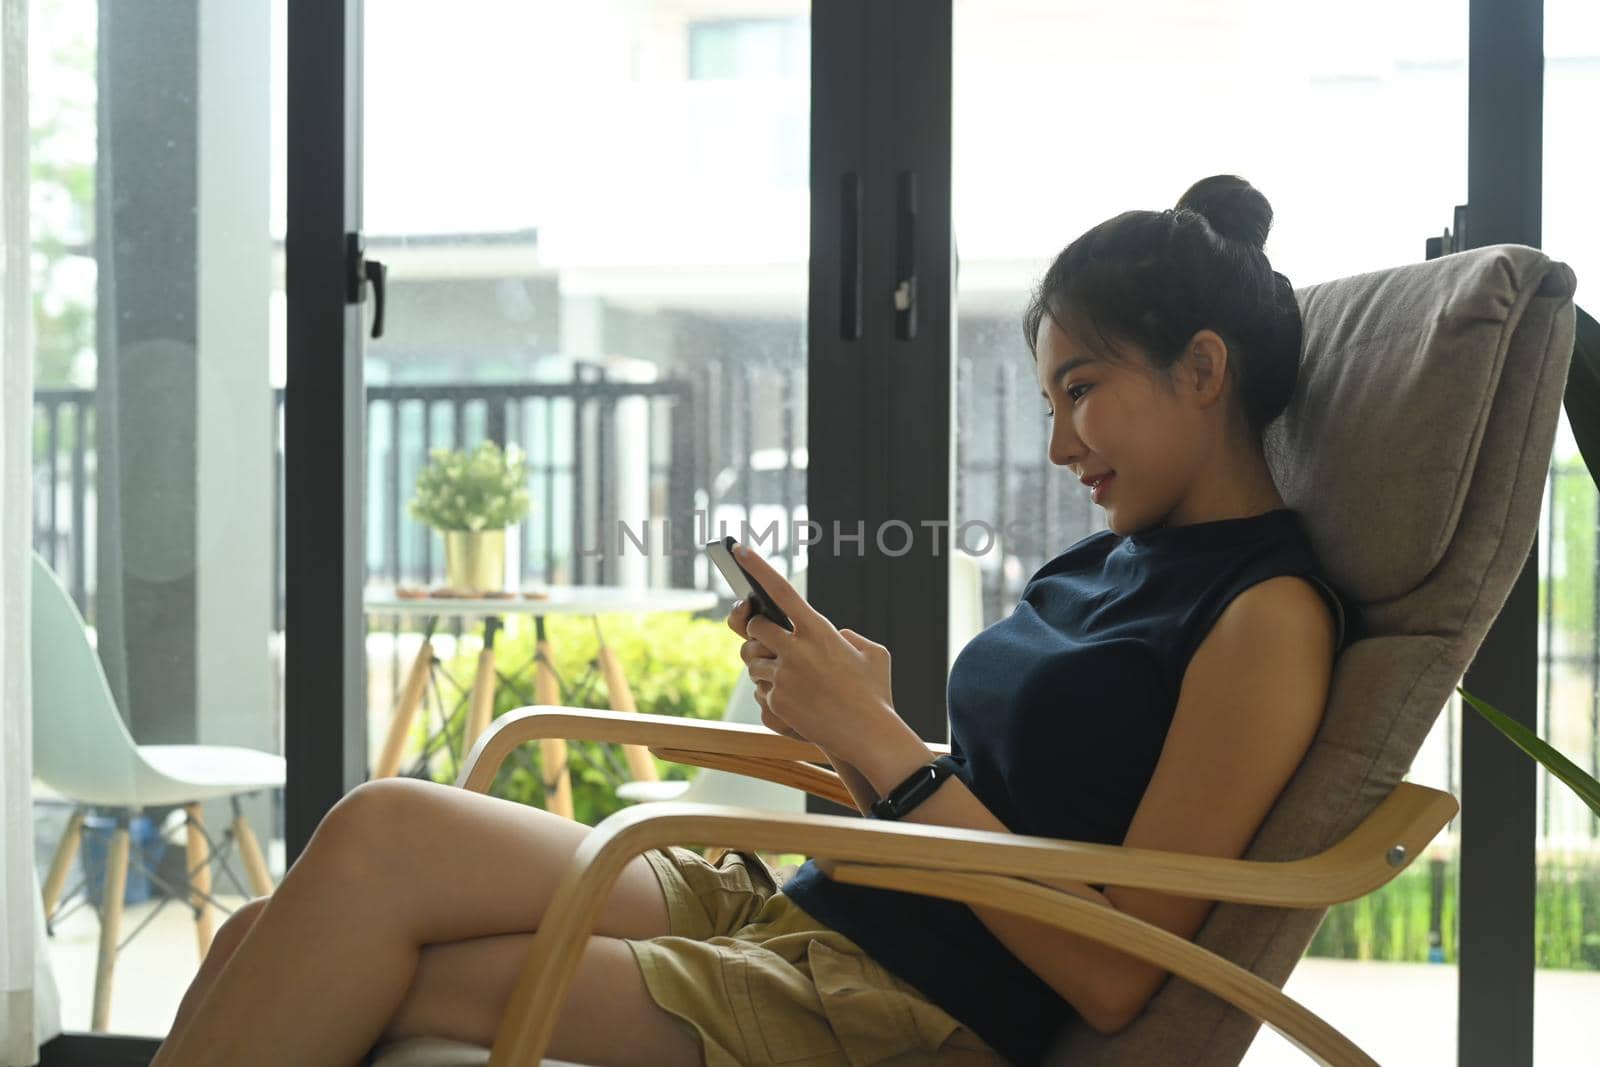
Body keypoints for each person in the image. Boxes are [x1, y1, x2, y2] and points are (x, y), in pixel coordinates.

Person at [150, 174, 1355, 1067]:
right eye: (1048, 400)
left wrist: (881, 752)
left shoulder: (1266, 616)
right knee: (344, 857)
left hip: (895, 1007)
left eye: (1081, 391)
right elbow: (1008, 807)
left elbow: (1115, 971)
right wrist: (863, 728)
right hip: (809, 906)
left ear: (1203, 370)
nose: (1055, 444)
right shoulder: (1111, 559)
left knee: (370, 965)